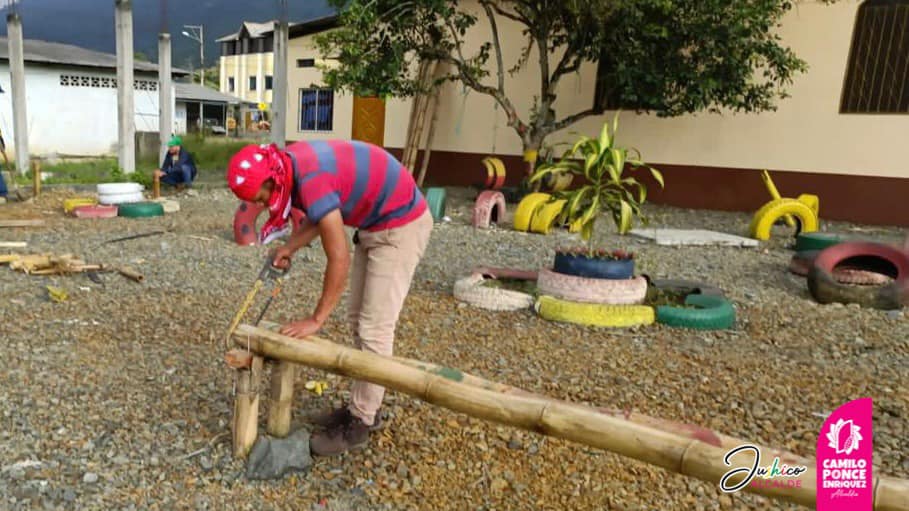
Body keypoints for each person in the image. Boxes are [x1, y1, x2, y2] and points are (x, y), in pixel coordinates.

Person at [226, 140, 432, 456]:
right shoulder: (288, 166)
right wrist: (289, 247)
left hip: (400, 226)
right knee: (358, 319)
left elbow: (339, 257)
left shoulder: (312, 179)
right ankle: (363, 406)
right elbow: (318, 216)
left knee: (375, 328)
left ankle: (361, 422)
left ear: (271, 179)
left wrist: (316, 319)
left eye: (262, 197)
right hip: (375, 223)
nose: (263, 204)